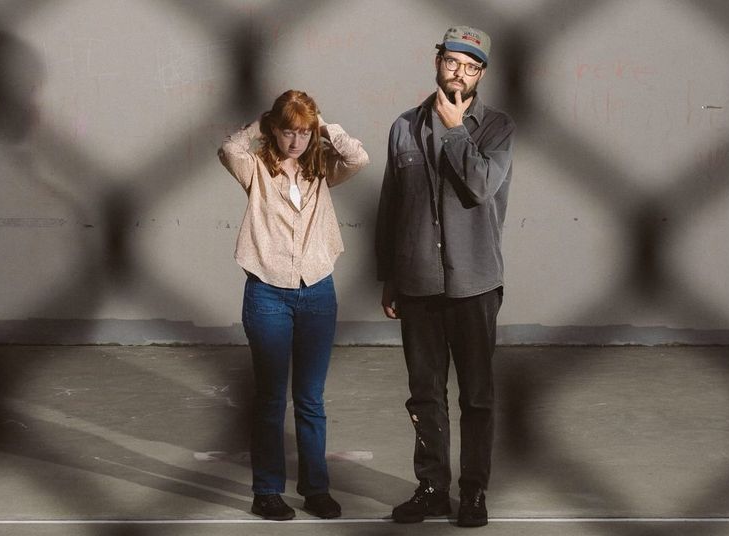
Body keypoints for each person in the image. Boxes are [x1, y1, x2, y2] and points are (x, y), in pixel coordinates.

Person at [375, 26, 515, 527]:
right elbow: (391, 206)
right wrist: (388, 276)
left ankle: (473, 492)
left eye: (471, 66)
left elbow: (480, 187)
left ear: (482, 74)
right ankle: (432, 488)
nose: (460, 73)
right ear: (437, 62)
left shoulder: (496, 128)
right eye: (452, 62)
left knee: (476, 396)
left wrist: (456, 131)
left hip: (475, 282)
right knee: (425, 393)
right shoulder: (404, 127)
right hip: (417, 281)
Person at [218, 90, 369, 521]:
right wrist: (261, 123)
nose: (296, 141)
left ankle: (315, 489)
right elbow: (229, 149)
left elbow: (358, 158)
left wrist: (324, 127)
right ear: (275, 129)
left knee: (311, 399)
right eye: (288, 131)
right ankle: (266, 491)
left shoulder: (321, 168)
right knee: (270, 398)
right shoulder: (255, 168)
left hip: (317, 291)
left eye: (304, 132)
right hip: (267, 292)